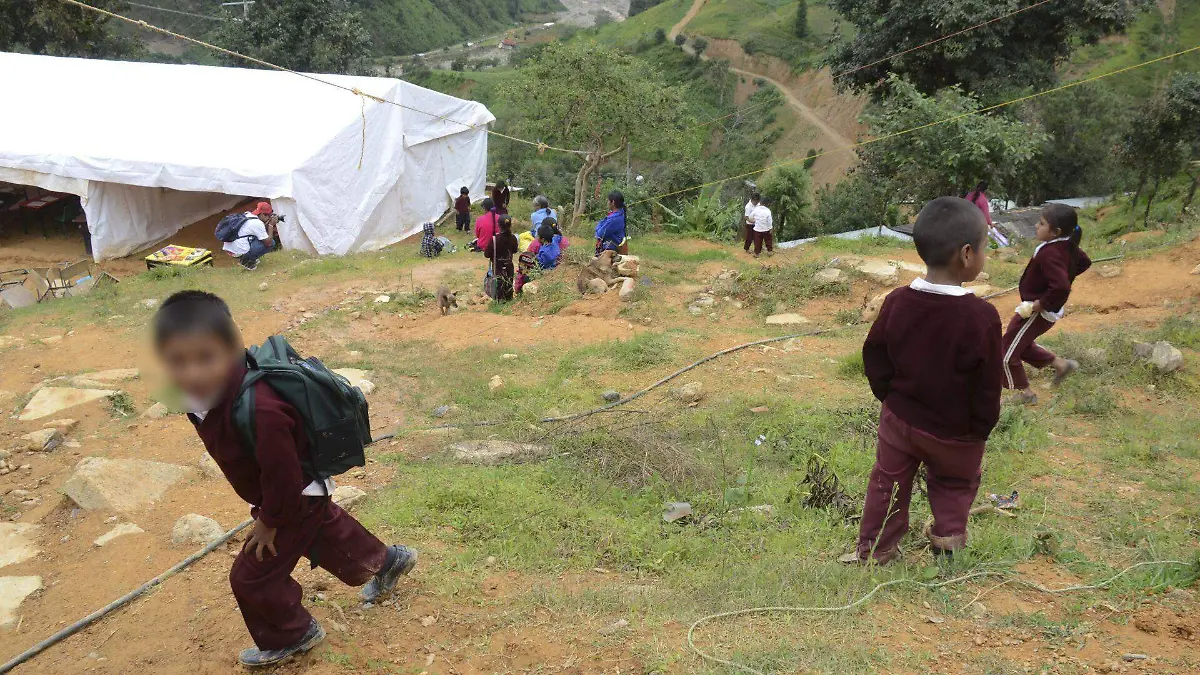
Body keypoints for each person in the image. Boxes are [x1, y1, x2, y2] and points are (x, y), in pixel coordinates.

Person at [152, 291, 417, 667]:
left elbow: (284, 476)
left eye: (205, 358)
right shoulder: (200, 397)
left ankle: (293, 633)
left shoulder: (261, 410)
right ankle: (387, 562)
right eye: (177, 361)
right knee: (328, 534)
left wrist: (270, 522)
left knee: (251, 577)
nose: (192, 373)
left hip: (294, 495)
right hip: (293, 493)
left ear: (232, 350)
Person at [847, 197, 1003, 565]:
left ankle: (876, 550)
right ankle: (947, 546)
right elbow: (987, 384)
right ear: (967, 255)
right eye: (985, 248)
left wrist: (890, 398)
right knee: (954, 486)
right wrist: (981, 428)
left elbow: (875, 354)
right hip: (957, 433)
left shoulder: (898, 301)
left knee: (888, 482)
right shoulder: (982, 318)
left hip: (900, 420)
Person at [1002, 203, 1091, 404]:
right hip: (1038, 308)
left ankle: (1025, 394)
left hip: (1037, 312)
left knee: (1006, 353)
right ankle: (1060, 364)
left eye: (1041, 224)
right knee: (1019, 344)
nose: (1036, 226)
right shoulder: (1064, 246)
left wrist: (1039, 304)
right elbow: (1084, 262)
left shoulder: (1051, 253)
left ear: (1055, 231)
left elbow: (1061, 288)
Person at [223, 201, 277, 271]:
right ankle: (246, 261)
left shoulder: (247, 214)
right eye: (269, 216)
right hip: (237, 251)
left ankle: (249, 258)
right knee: (271, 243)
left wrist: (268, 223)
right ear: (263, 214)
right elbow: (268, 242)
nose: (270, 217)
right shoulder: (257, 223)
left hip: (230, 248)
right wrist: (271, 225)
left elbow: (258, 231)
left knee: (258, 237)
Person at [484, 215, 519, 301]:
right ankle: (509, 299)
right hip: (509, 266)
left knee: (498, 285)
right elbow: (514, 250)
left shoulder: (495, 239)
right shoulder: (513, 238)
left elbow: (487, 254)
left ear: (498, 225)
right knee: (508, 283)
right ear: (510, 225)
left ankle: (499, 301)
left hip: (498, 267)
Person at [594, 190, 628, 255]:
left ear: (613, 202)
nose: (607, 202)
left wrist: (598, 226)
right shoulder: (620, 214)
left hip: (611, 250)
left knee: (593, 262)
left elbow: (600, 234)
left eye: (608, 200)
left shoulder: (614, 219)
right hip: (613, 247)